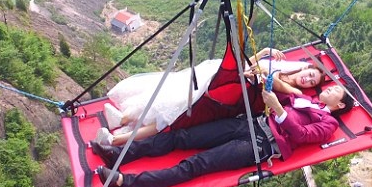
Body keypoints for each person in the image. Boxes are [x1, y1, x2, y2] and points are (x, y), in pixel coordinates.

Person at [92, 85, 351, 187]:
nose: (329, 87)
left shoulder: (328, 123)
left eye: (336, 90)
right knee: (181, 137)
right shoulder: (306, 99)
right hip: (248, 123)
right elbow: (278, 89)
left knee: (195, 165)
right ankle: (120, 154)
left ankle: (127, 182)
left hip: (258, 145)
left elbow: (302, 135)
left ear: (339, 104)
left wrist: (281, 110)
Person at [97, 47, 297, 146]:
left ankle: (117, 139)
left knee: (171, 118)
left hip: (219, 101)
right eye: (309, 75)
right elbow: (243, 67)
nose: (307, 78)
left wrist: (267, 76)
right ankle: (125, 118)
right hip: (215, 83)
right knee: (170, 96)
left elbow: (292, 91)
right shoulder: (276, 70)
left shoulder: (282, 88)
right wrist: (263, 53)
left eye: (312, 80)